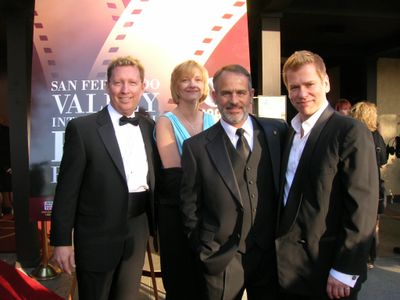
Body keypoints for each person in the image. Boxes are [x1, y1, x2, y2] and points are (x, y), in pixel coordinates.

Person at [50, 56, 159, 300]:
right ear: (107, 86)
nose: (125, 90)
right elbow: (67, 190)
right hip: (96, 234)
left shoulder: (149, 127)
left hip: (137, 229)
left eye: (132, 83)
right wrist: (61, 241)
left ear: (142, 86)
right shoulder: (83, 128)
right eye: (118, 82)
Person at [276, 50, 379, 300]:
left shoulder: (349, 131)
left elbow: (362, 205)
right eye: (294, 87)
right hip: (289, 268)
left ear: (326, 82)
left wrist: (346, 268)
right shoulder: (288, 132)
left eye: (309, 84)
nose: (302, 94)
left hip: (329, 270)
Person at [180, 64, 287, 300]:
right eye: (226, 93)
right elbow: (190, 207)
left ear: (251, 94)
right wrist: (203, 249)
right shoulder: (195, 148)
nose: (234, 100)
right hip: (221, 259)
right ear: (215, 97)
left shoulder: (277, 132)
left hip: (270, 255)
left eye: (240, 92)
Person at [155, 60, 215, 299]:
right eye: (185, 80)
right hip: (176, 212)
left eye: (198, 79)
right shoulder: (165, 121)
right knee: (180, 281)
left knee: (206, 280)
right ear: (176, 87)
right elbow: (174, 173)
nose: (192, 84)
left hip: (209, 213)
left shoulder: (213, 120)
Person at [350, 101, 388, 269]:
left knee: (357, 219)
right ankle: (371, 257)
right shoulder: (377, 136)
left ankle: (360, 256)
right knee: (374, 224)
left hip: (358, 182)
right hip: (376, 183)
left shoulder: (355, 133)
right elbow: (384, 159)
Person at [0, 119, 13, 217]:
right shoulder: (7, 131)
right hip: (8, 166)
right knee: (10, 189)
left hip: (6, 166)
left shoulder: (7, 131)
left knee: (7, 190)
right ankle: (15, 214)